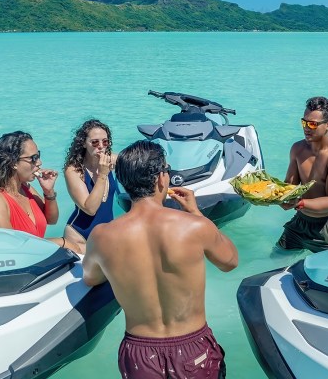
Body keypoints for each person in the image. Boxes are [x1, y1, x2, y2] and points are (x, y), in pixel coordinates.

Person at [82, 140, 237, 379]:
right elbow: (230, 262)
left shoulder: (102, 236)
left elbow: (91, 279)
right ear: (160, 179)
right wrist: (197, 214)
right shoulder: (195, 227)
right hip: (193, 349)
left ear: (124, 181)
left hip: (140, 353)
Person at [0, 131, 82, 253]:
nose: (39, 162)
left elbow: (51, 220)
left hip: (34, 258)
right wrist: (61, 243)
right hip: (17, 266)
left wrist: (48, 191)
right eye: (33, 158)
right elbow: (9, 246)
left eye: (38, 155)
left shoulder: (26, 188)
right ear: (13, 163)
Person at [276, 96, 328, 253]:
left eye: (312, 124)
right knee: (275, 258)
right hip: (301, 221)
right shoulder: (297, 149)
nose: (306, 128)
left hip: (327, 227)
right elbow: (289, 186)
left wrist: (299, 203)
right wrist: (273, 196)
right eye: (304, 122)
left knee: (324, 275)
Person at [63, 119, 119, 239]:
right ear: (84, 143)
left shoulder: (111, 160)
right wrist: (103, 174)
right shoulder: (74, 171)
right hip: (80, 235)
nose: (100, 146)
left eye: (105, 142)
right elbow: (90, 209)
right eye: (95, 142)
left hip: (106, 234)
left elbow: (137, 162)